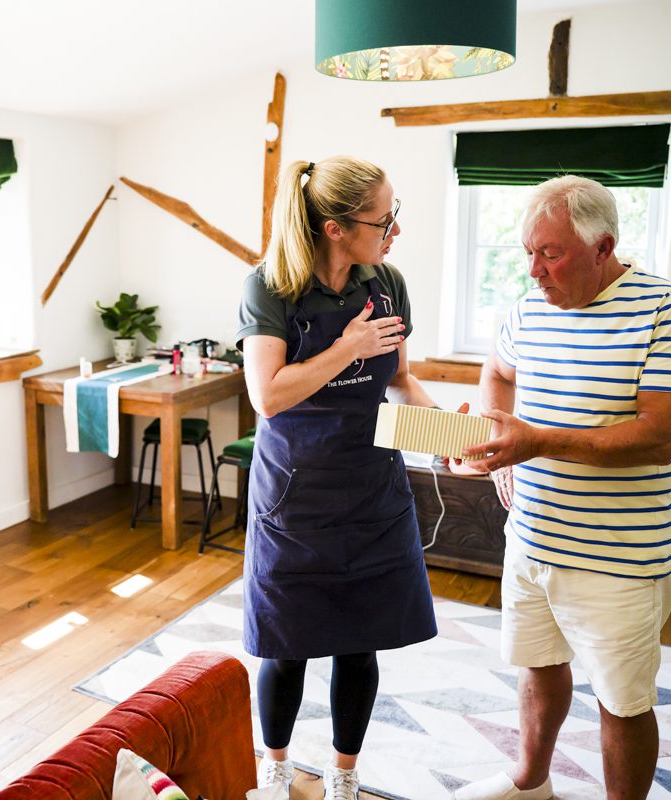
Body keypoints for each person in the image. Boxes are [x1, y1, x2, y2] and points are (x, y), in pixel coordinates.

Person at [455, 175, 671, 800]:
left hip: (621, 558)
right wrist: (501, 443)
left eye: (551, 253)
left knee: (623, 701)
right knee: (538, 667)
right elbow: (496, 369)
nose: (534, 270)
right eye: (527, 252)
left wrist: (537, 442)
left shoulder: (669, 311)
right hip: (531, 540)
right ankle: (530, 782)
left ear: (604, 248)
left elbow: (660, 436)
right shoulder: (524, 311)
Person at [238, 157, 458, 800]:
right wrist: (346, 349)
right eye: (383, 219)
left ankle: (344, 775)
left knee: (362, 644)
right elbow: (268, 396)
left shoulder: (386, 282)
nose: (394, 230)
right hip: (295, 495)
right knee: (288, 646)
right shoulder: (270, 286)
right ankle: (275, 768)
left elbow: (398, 379)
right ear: (335, 228)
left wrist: (447, 435)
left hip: (372, 489)